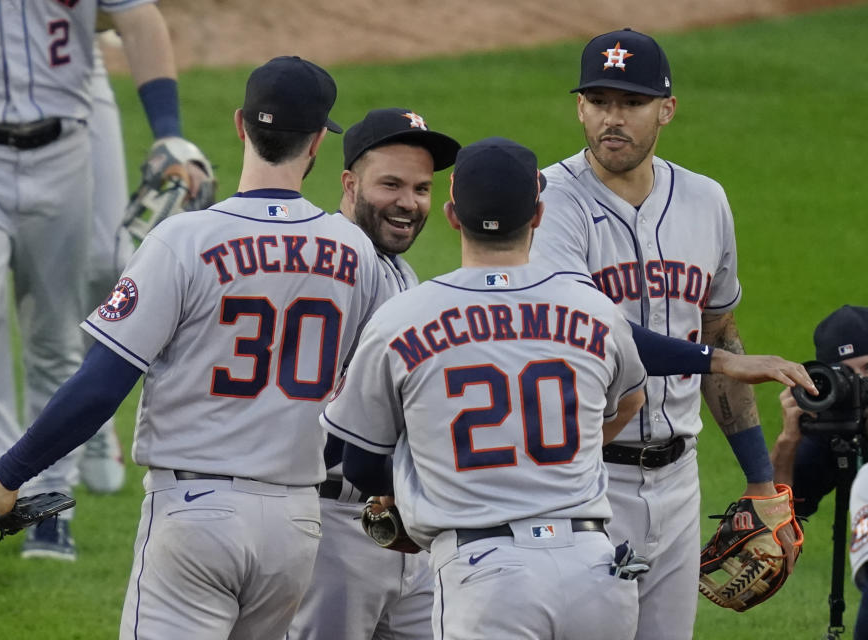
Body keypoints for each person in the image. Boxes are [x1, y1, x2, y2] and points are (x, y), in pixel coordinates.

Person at [0, 55, 391, 640]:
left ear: (241, 125)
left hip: (196, 514)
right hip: (295, 524)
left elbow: (99, 388)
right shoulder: (354, 252)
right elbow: (364, 401)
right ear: (317, 141)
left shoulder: (184, 239)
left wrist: (4, 479)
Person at [0, 0, 205, 574]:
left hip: (62, 154)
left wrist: (167, 130)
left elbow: (137, 16)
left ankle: (50, 505)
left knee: (52, 333)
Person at [529, 28, 800, 638]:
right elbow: (596, 332)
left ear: (666, 110)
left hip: (679, 481)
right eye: (598, 102)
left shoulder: (706, 201)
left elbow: (720, 328)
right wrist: (717, 361)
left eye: (630, 103)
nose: (612, 119)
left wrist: (759, 478)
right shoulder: (547, 201)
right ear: (580, 107)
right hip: (585, 477)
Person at [322, 136, 649, 639]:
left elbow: (363, 459)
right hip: (594, 570)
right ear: (537, 215)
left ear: (453, 214)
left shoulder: (405, 318)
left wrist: (405, 498)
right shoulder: (594, 309)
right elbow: (631, 399)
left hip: (487, 573)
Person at [288, 107, 460, 640]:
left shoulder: (391, 264)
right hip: (336, 526)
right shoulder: (340, 264)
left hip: (396, 524)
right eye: (391, 184)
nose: (408, 203)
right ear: (349, 182)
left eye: (421, 188)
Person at [769, 305, 868, 637]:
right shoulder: (835, 433)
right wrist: (787, 442)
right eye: (846, 376)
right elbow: (771, 530)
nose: (859, 386)